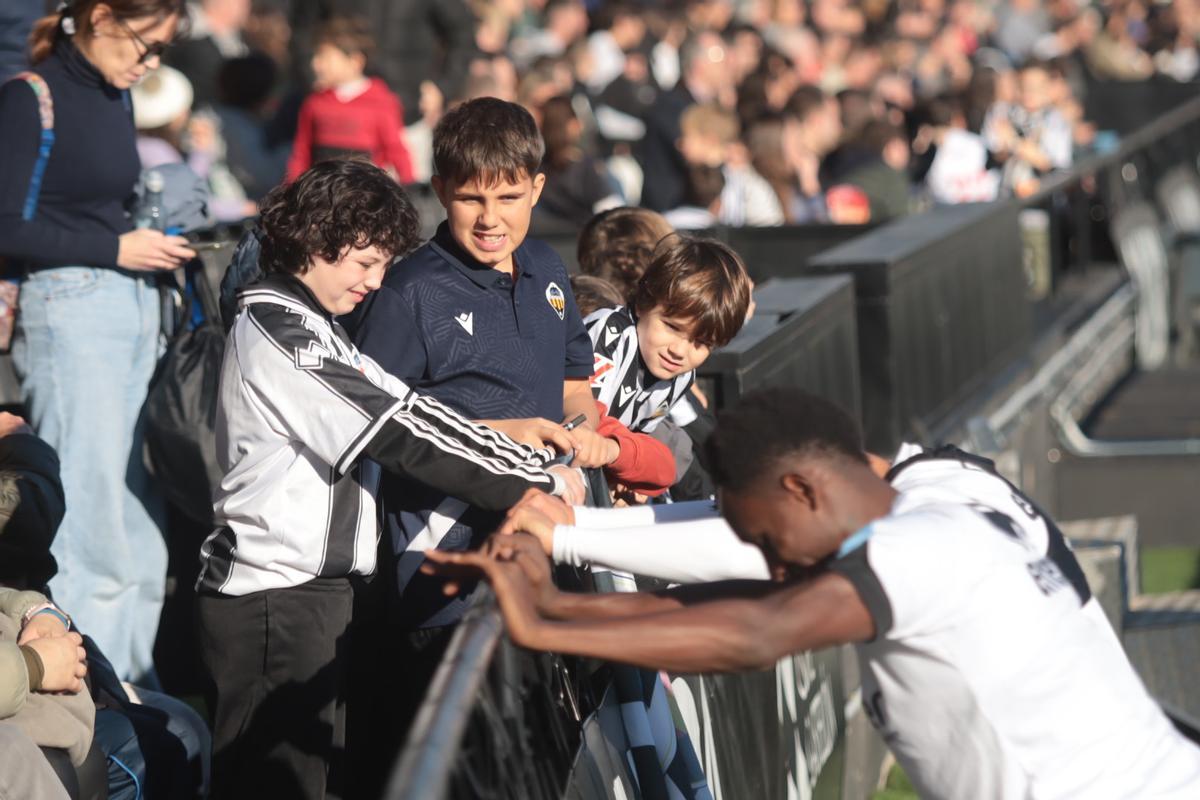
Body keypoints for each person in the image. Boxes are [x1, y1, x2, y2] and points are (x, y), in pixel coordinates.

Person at [429, 388, 1200, 800]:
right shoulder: (947, 481)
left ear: (803, 487)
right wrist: (564, 583)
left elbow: (758, 632)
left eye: (763, 539)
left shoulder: (918, 552)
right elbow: (727, 581)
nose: (763, 558)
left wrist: (545, 620)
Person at [195, 158, 582, 800]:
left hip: (313, 599)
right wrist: (527, 487)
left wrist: (518, 456)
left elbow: (411, 408)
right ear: (319, 239)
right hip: (273, 600)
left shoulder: (314, 326)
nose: (376, 283)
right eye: (366, 262)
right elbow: (397, 434)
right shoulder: (281, 328)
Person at [0, 0, 194, 685]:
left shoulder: (115, 100)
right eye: (146, 45)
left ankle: (136, 699)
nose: (149, 63)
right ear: (102, 15)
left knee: (139, 525)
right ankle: (90, 705)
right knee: (87, 522)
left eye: (161, 53)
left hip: (129, 304)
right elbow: (7, 227)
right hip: (73, 309)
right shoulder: (30, 98)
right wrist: (116, 246)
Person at [285, 15, 414, 184]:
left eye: (325, 57)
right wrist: (291, 189)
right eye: (316, 56)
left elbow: (396, 151)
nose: (316, 64)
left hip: (365, 195)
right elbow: (301, 153)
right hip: (320, 194)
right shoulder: (314, 103)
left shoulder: (382, 103)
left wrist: (410, 189)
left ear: (355, 61)